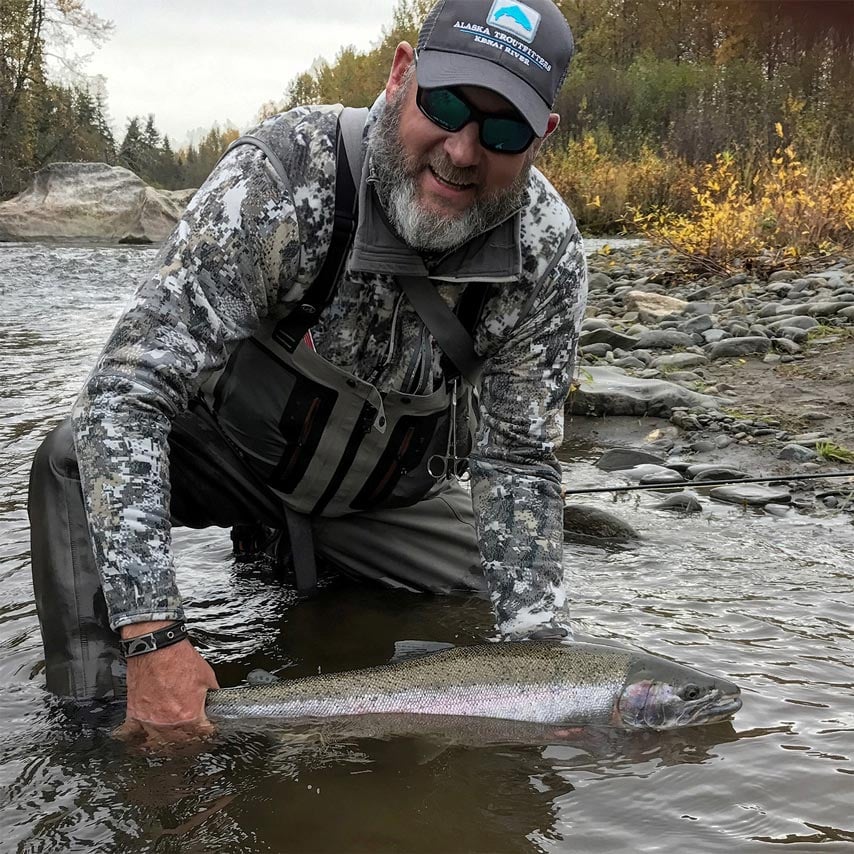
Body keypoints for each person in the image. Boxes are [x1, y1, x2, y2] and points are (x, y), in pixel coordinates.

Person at [28, 0, 587, 744]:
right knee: (70, 461)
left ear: (541, 139)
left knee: (499, 604)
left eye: (504, 129)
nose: (462, 149)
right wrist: (153, 635)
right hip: (235, 464)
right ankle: (102, 724)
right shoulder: (287, 176)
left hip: (380, 505)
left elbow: (517, 464)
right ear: (400, 76)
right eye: (447, 104)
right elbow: (126, 394)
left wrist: (540, 671)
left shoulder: (546, 256)